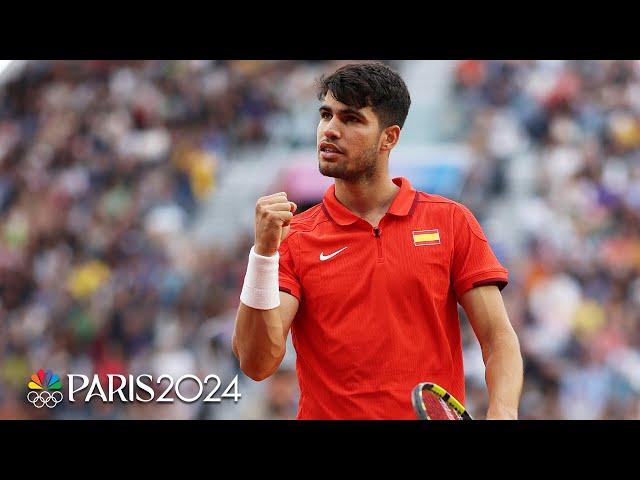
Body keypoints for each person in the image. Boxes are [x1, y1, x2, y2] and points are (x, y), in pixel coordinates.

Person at [232, 62, 523, 420]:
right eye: (326, 115)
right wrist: (262, 256)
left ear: (390, 137)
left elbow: (499, 340)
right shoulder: (295, 239)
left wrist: (503, 411)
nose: (330, 130)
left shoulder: (451, 221)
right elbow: (257, 363)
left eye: (351, 119)